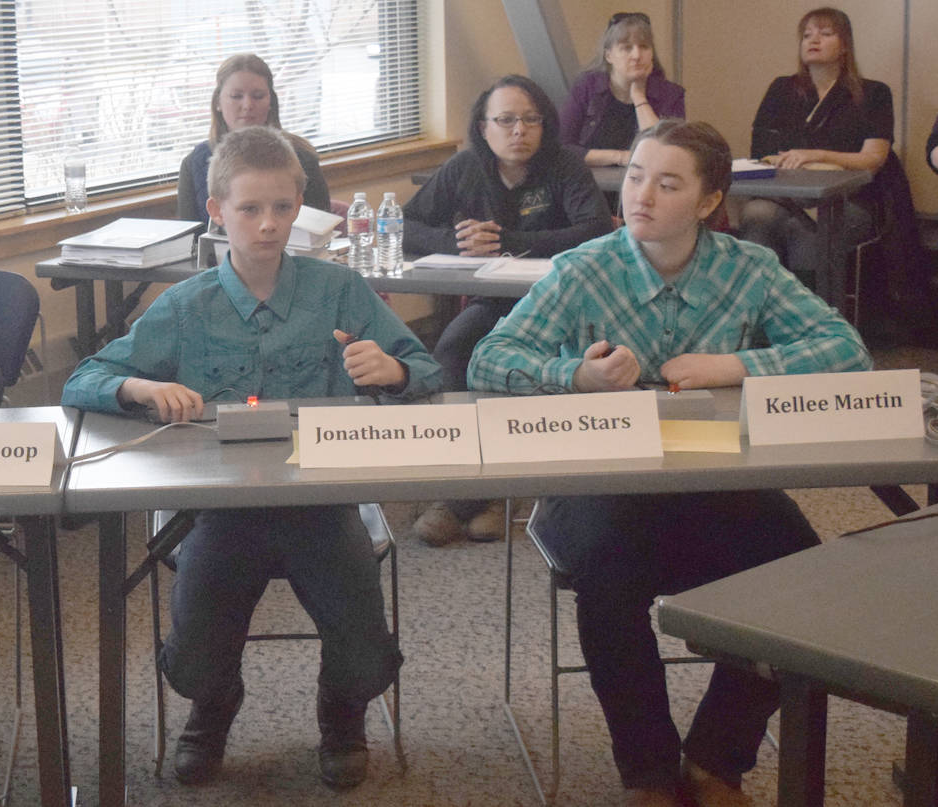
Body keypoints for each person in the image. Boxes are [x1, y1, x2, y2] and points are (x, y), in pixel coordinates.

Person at [470, 119, 871, 807]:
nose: (641, 195)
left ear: (709, 200)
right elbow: (489, 360)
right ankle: (648, 773)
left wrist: (736, 365)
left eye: (666, 182)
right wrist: (577, 376)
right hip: (602, 485)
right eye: (632, 176)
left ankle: (716, 759)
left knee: (805, 572)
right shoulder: (582, 268)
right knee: (608, 577)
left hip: (715, 482)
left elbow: (845, 352)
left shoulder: (747, 268)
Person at [65, 126, 441, 791]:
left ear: (300, 205)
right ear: (216, 211)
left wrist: (389, 369)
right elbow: (85, 378)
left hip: (318, 501)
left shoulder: (338, 290)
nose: (267, 225)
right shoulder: (185, 305)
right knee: (198, 649)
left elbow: (425, 368)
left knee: (360, 639)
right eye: (248, 209)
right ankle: (213, 705)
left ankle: (342, 711)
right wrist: (141, 386)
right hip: (219, 508)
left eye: (281, 208)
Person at [403, 74, 614, 546]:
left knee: (521, 364)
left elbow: (597, 229)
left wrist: (509, 243)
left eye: (530, 120)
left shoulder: (565, 166)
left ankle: (472, 499)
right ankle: (483, 489)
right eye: (506, 120)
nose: (519, 131)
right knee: (453, 350)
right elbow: (405, 223)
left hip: (562, 305)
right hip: (495, 301)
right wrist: (454, 241)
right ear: (483, 126)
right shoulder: (465, 168)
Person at [739, 7, 892, 291]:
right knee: (756, 213)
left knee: (805, 228)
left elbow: (873, 160)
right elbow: (762, 154)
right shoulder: (781, 89)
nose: (813, 40)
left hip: (848, 201)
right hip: (786, 197)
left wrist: (816, 155)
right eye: (807, 35)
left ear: (844, 45)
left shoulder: (874, 93)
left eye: (825, 33)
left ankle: (811, 318)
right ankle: (757, 315)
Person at [176, 53, 330, 226]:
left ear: (270, 101)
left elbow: (320, 233)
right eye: (236, 96)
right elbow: (190, 244)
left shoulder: (303, 157)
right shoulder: (193, 164)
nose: (248, 105)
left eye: (258, 96)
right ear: (218, 102)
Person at [560, 12, 686, 168]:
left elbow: (665, 154)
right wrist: (619, 157)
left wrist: (639, 97)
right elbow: (562, 149)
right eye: (627, 48)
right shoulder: (586, 86)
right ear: (608, 55)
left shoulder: (671, 94)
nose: (636, 55)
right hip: (590, 184)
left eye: (644, 47)